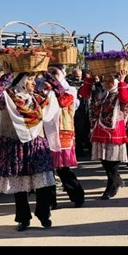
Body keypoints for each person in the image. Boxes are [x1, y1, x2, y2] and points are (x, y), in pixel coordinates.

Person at [0, 63, 65, 231]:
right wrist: (9, 74)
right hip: (14, 144)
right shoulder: (7, 98)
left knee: (43, 183)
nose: (35, 83)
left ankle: (43, 215)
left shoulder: (37, 97)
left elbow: (61, 93)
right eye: (31, 79)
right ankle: (23, 218)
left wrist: (46, 74)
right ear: (21, 81)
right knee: (19, 186)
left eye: (35, 79)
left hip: (36, 144)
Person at [79, 70, 128, 200]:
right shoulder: (101, 94)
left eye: (110, 81)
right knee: (105, 161)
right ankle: (116, 180)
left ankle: (111, 187)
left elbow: (125, 98)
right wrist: (89, 79)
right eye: (105, 81)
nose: (107, 84)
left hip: (115, 130)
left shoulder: (120, 92)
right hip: (100, 129)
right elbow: (84, 94)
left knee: (112, 162)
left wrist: (122, 81)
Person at [43, 65, 85, 209]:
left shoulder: (70, 90)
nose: (52, 76)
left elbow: (63, 101)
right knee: (47, 170)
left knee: (63, 169)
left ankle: (77, 196)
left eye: (54, 73)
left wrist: (50, 81)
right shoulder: (44, 90)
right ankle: (50, 201)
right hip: (45, 132)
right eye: (49, 73)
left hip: (62, 132)